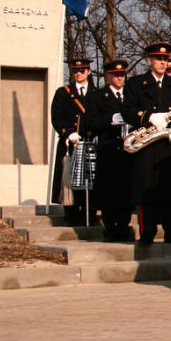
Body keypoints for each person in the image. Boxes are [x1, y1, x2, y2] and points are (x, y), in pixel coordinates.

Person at [122, 42, 171, 247]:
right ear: (149, 60)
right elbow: (127, 110)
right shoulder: (135, 84)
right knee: (146, 190)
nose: (163, 62)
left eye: (166, 59)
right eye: (158, 59)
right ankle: (147, 233)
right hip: (147, 146)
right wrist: (148, 117)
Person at [88, 59, 134, 241]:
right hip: (108, 149)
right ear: (109, 76)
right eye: (116, 75)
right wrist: (112, 119)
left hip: (128, 149)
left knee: (125, 191)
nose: (119, 78)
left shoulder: (131, 96)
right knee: (108, 191)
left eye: (122, 75)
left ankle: (124, 226)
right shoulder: (98, 96)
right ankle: (110, 228)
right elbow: (90, 123)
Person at [50, 57, 98, 226]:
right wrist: (68, 133)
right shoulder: (63, 92)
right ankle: (70, 215)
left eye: (82, 71)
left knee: (90, 180)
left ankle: (89, 215)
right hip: (70, 143)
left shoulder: (96, 93)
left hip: (89, 143)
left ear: (88, 72)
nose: (78, 73)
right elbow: (57, 117)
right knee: (69, 181)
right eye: (76, 71)